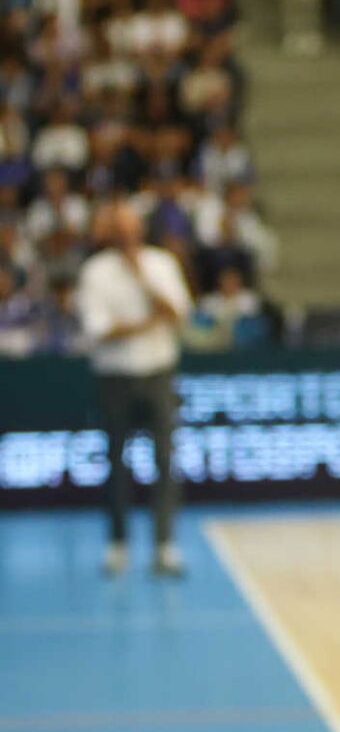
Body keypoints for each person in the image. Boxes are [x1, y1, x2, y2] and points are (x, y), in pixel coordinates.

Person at [74, 201, 193, 576]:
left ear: (140, 230)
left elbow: (177, 316)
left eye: (131, 228)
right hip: (115, 379)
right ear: (111, 233)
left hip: (158, 374)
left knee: (164, 461)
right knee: (116, 464)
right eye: (119, 229)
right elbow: (99, 330)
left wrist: (141, 278)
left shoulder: (161, 265)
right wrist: (145, 324)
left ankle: (164, 546)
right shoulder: (95, 272)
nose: (126, 236)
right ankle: (118, 544)